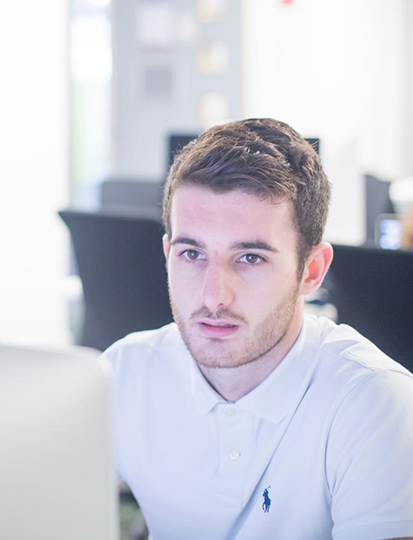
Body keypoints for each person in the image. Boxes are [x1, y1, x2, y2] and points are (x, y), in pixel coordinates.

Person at [105, 118, 413, 539]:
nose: (214, 296)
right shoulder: (125, 371)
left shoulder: (374, 404)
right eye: (192, 254)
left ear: (312, 270)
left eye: (250, 258)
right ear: (167, 254)